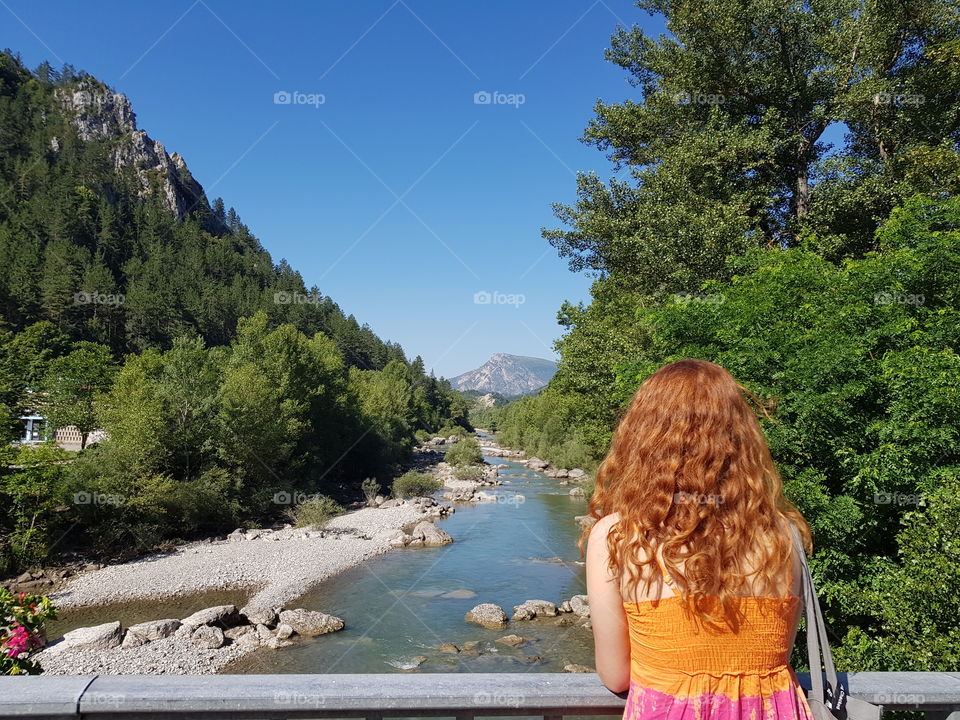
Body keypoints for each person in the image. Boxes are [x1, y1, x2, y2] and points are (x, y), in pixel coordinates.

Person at [583, 358, 814, 720]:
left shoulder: (617, 537)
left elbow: (616, 677)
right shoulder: (784, 534)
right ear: (741, 437)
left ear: (642, 440)